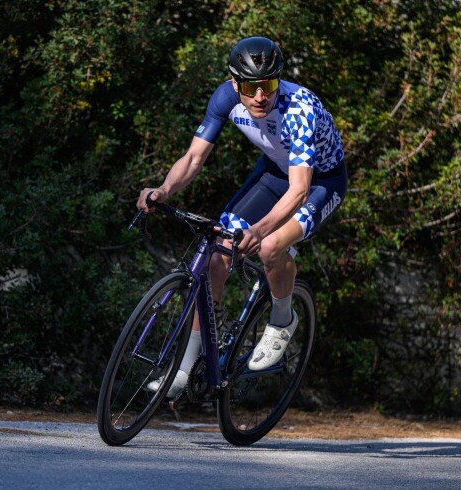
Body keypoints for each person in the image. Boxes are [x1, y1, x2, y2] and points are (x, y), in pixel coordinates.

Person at [137, 36, 346, 397]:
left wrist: (260, 231)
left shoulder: (301, 110)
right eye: (250, 88)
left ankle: (282, 319)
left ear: (278, 80)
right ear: (235, 84)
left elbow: (299, 190)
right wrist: (163, 190)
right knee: (216, 256)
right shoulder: (224, 98)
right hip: (273, 175)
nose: (260, 97)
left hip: (320, 183)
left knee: (269, 247)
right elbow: (193, 158)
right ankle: (185, 368)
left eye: (268, 85)